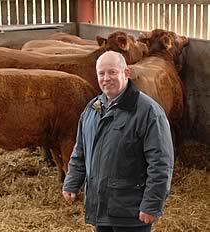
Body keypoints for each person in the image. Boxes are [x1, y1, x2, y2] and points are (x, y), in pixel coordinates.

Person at [62, 51, 174, 232]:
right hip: (101, 206)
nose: (106, 78)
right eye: (101, 73)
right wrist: (72, 182)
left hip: (132, 212)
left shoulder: (148, 112)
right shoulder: (92, 109)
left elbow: (160, 163)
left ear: (126, 73)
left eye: (112, 72)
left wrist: (151, 204)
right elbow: (80, 151)